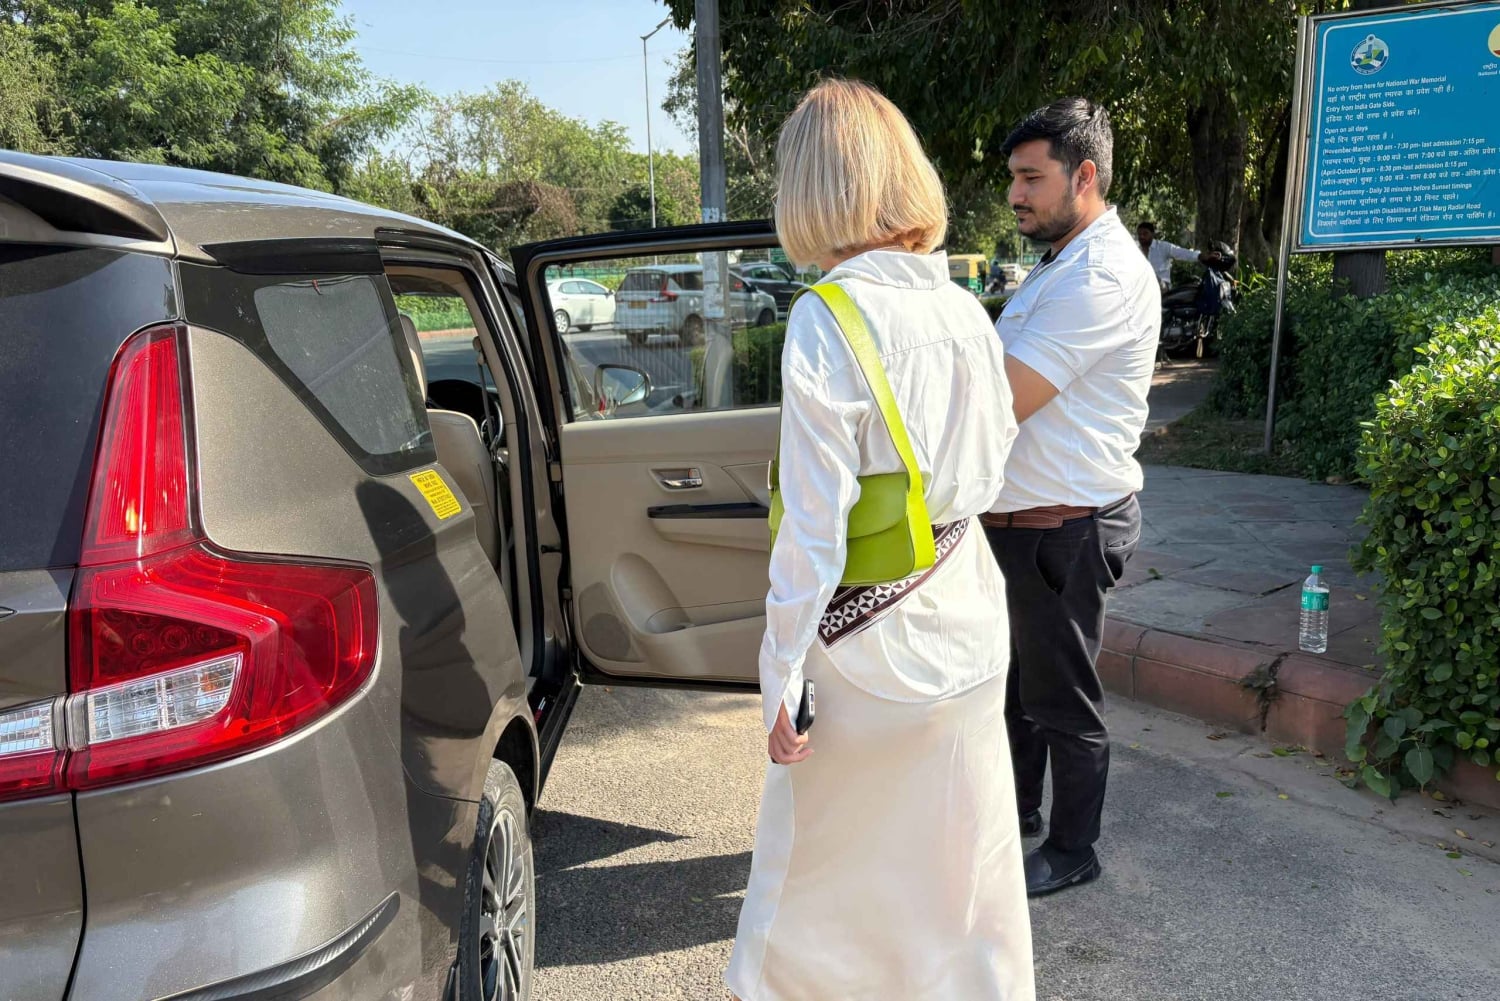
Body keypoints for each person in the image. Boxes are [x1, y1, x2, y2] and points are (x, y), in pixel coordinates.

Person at [727, 79, 1033, 1001]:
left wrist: (779, 670)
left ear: (810, 190)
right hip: (968, 611)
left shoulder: (827, 315)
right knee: (962, 876)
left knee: (817, 889)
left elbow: (813, 529)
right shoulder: (964, 309)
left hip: (870, 648)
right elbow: (997, 460)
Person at [982, 98, 1155, 898]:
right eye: (1013, 178)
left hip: (1065, 526)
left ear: (1084, 176)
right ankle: (1013, 813)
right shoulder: (1060, 264)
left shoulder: (1101, 276)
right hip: (1029, 521)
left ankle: (1073, 847)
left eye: (1030, 178)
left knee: (1060, 695)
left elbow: (1003, 399)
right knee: (1018, 688)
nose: (1014, 194)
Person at [1137, 220, 1220, 292]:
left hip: (1162, 287)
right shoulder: (1135, 251)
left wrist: (1201, 256)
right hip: (1142, 288)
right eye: (1139, 234)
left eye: (1145, 233)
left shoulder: (1163, 247)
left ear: (1152, 234)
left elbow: (1182, 253)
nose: (1141, 236)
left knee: (1153, 279)